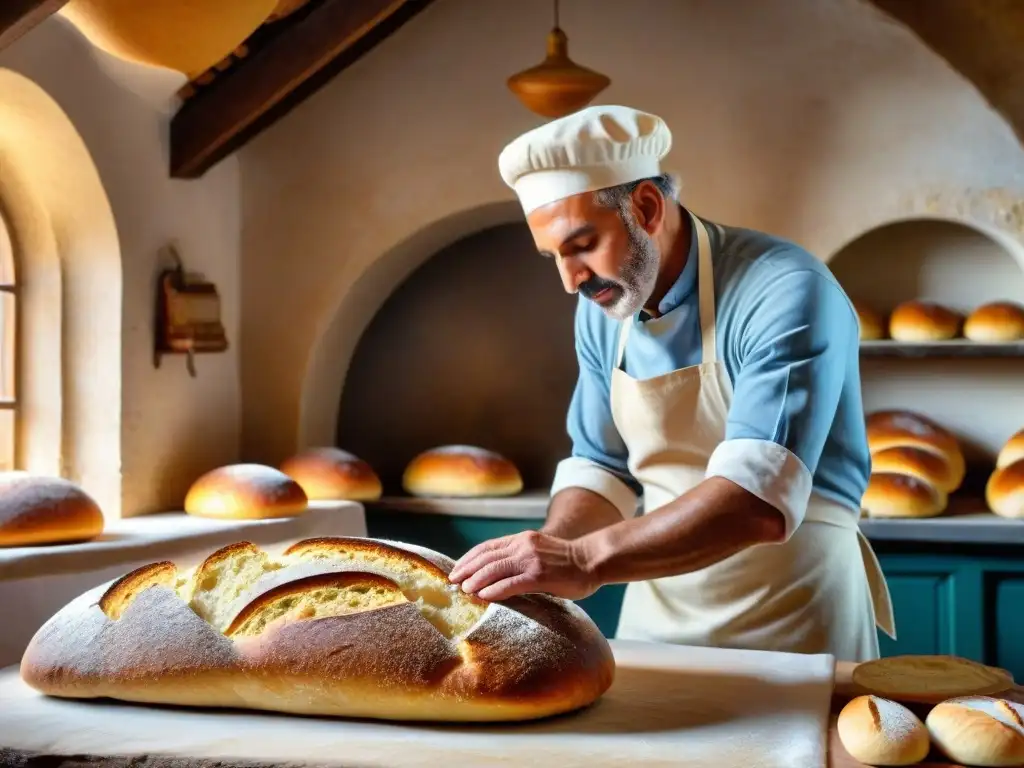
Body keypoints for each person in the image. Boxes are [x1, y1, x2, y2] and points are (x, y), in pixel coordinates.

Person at [447, 105, 895, 662]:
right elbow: (600, 467)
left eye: (582, 244)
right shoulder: (604, 308)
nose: (570, 281)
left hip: (793, 610)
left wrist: (583, 562)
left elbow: (757, 500)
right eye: (553, 258)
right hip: (657, 612)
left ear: (647, 206)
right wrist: (553, 553)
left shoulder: (785, 289)